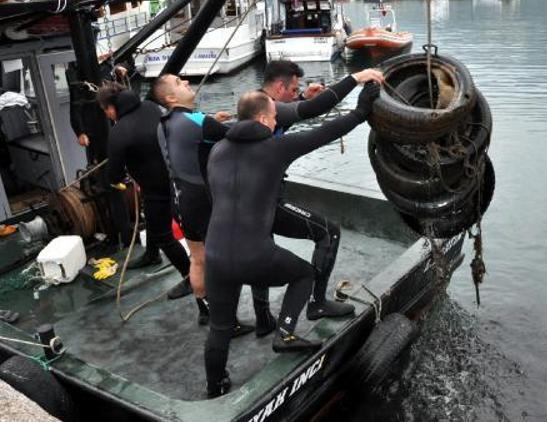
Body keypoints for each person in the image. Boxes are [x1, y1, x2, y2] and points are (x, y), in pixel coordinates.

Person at [203, 84, 380, 397]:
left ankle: (215, 388)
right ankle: (284, 333)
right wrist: (362, 110)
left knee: (219, 328)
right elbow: (324, 132)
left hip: (215, 256)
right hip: (253, 255)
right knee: (304, 274)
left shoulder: (217, 151)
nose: (275, 123)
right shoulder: (274, 148)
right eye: (273, 118)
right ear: (261, 119)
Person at [260, 60, 384, 320]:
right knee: (329, 232)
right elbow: (316, 116)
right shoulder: (269, 109)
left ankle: (263, 318)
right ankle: (316, 304)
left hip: (249, 202)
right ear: (280, 87)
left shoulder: (254, 111)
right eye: (294, 90)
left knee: (261, 245)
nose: (297, 95)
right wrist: (357, 80)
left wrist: (304, 97)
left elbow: (300, 112)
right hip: (266, 201)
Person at [150, 75, 262, 335]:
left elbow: (194, 135)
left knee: (198, 259)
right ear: (170, 98)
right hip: (201, 200)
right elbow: (243, 132)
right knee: (221, 260)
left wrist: (212, 120)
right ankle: (226, 322)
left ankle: (206, 311)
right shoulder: (198, 122)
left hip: (178, 199)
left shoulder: (164, 123)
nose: (187, 81)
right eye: (179, 83)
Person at [96, 82, 191, 298]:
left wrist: (116, 182)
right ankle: (151, 254)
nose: (108, 115)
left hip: (157, 188)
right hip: (178, 177)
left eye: (105, 111)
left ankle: (190, 278)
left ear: (111, 107)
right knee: (150, 216)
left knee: (163, 234)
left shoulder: (119, 131)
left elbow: (114, 173)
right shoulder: (150, 106)